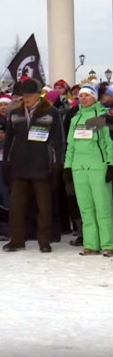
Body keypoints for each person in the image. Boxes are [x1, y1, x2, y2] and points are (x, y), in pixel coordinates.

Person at [2, 78, 63, 253]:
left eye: (30, 95)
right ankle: (16, 240)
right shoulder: (15, 113)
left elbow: (58, 141)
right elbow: (8, 141)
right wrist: (6, 162)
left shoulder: (51, 112)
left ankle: (44, 240)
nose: (26, 98)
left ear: (39, 94)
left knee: (44, 206)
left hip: (42, 165)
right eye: (24, 95)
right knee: (16, 206)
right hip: (19, 165)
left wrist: (57, 164)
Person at [66, 84, 113, 257]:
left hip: (97, 167)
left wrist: (111, 164)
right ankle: (91, 244)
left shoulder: (102, 116)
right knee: (85, 208)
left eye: (87, 95)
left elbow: (109, 143)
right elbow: (71, 145)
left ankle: (108, 244)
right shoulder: (75, 119)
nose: (83, 98)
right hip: (79, 168)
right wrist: (68, 166)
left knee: (102, 207)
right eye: (81, 95)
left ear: (94, 97)